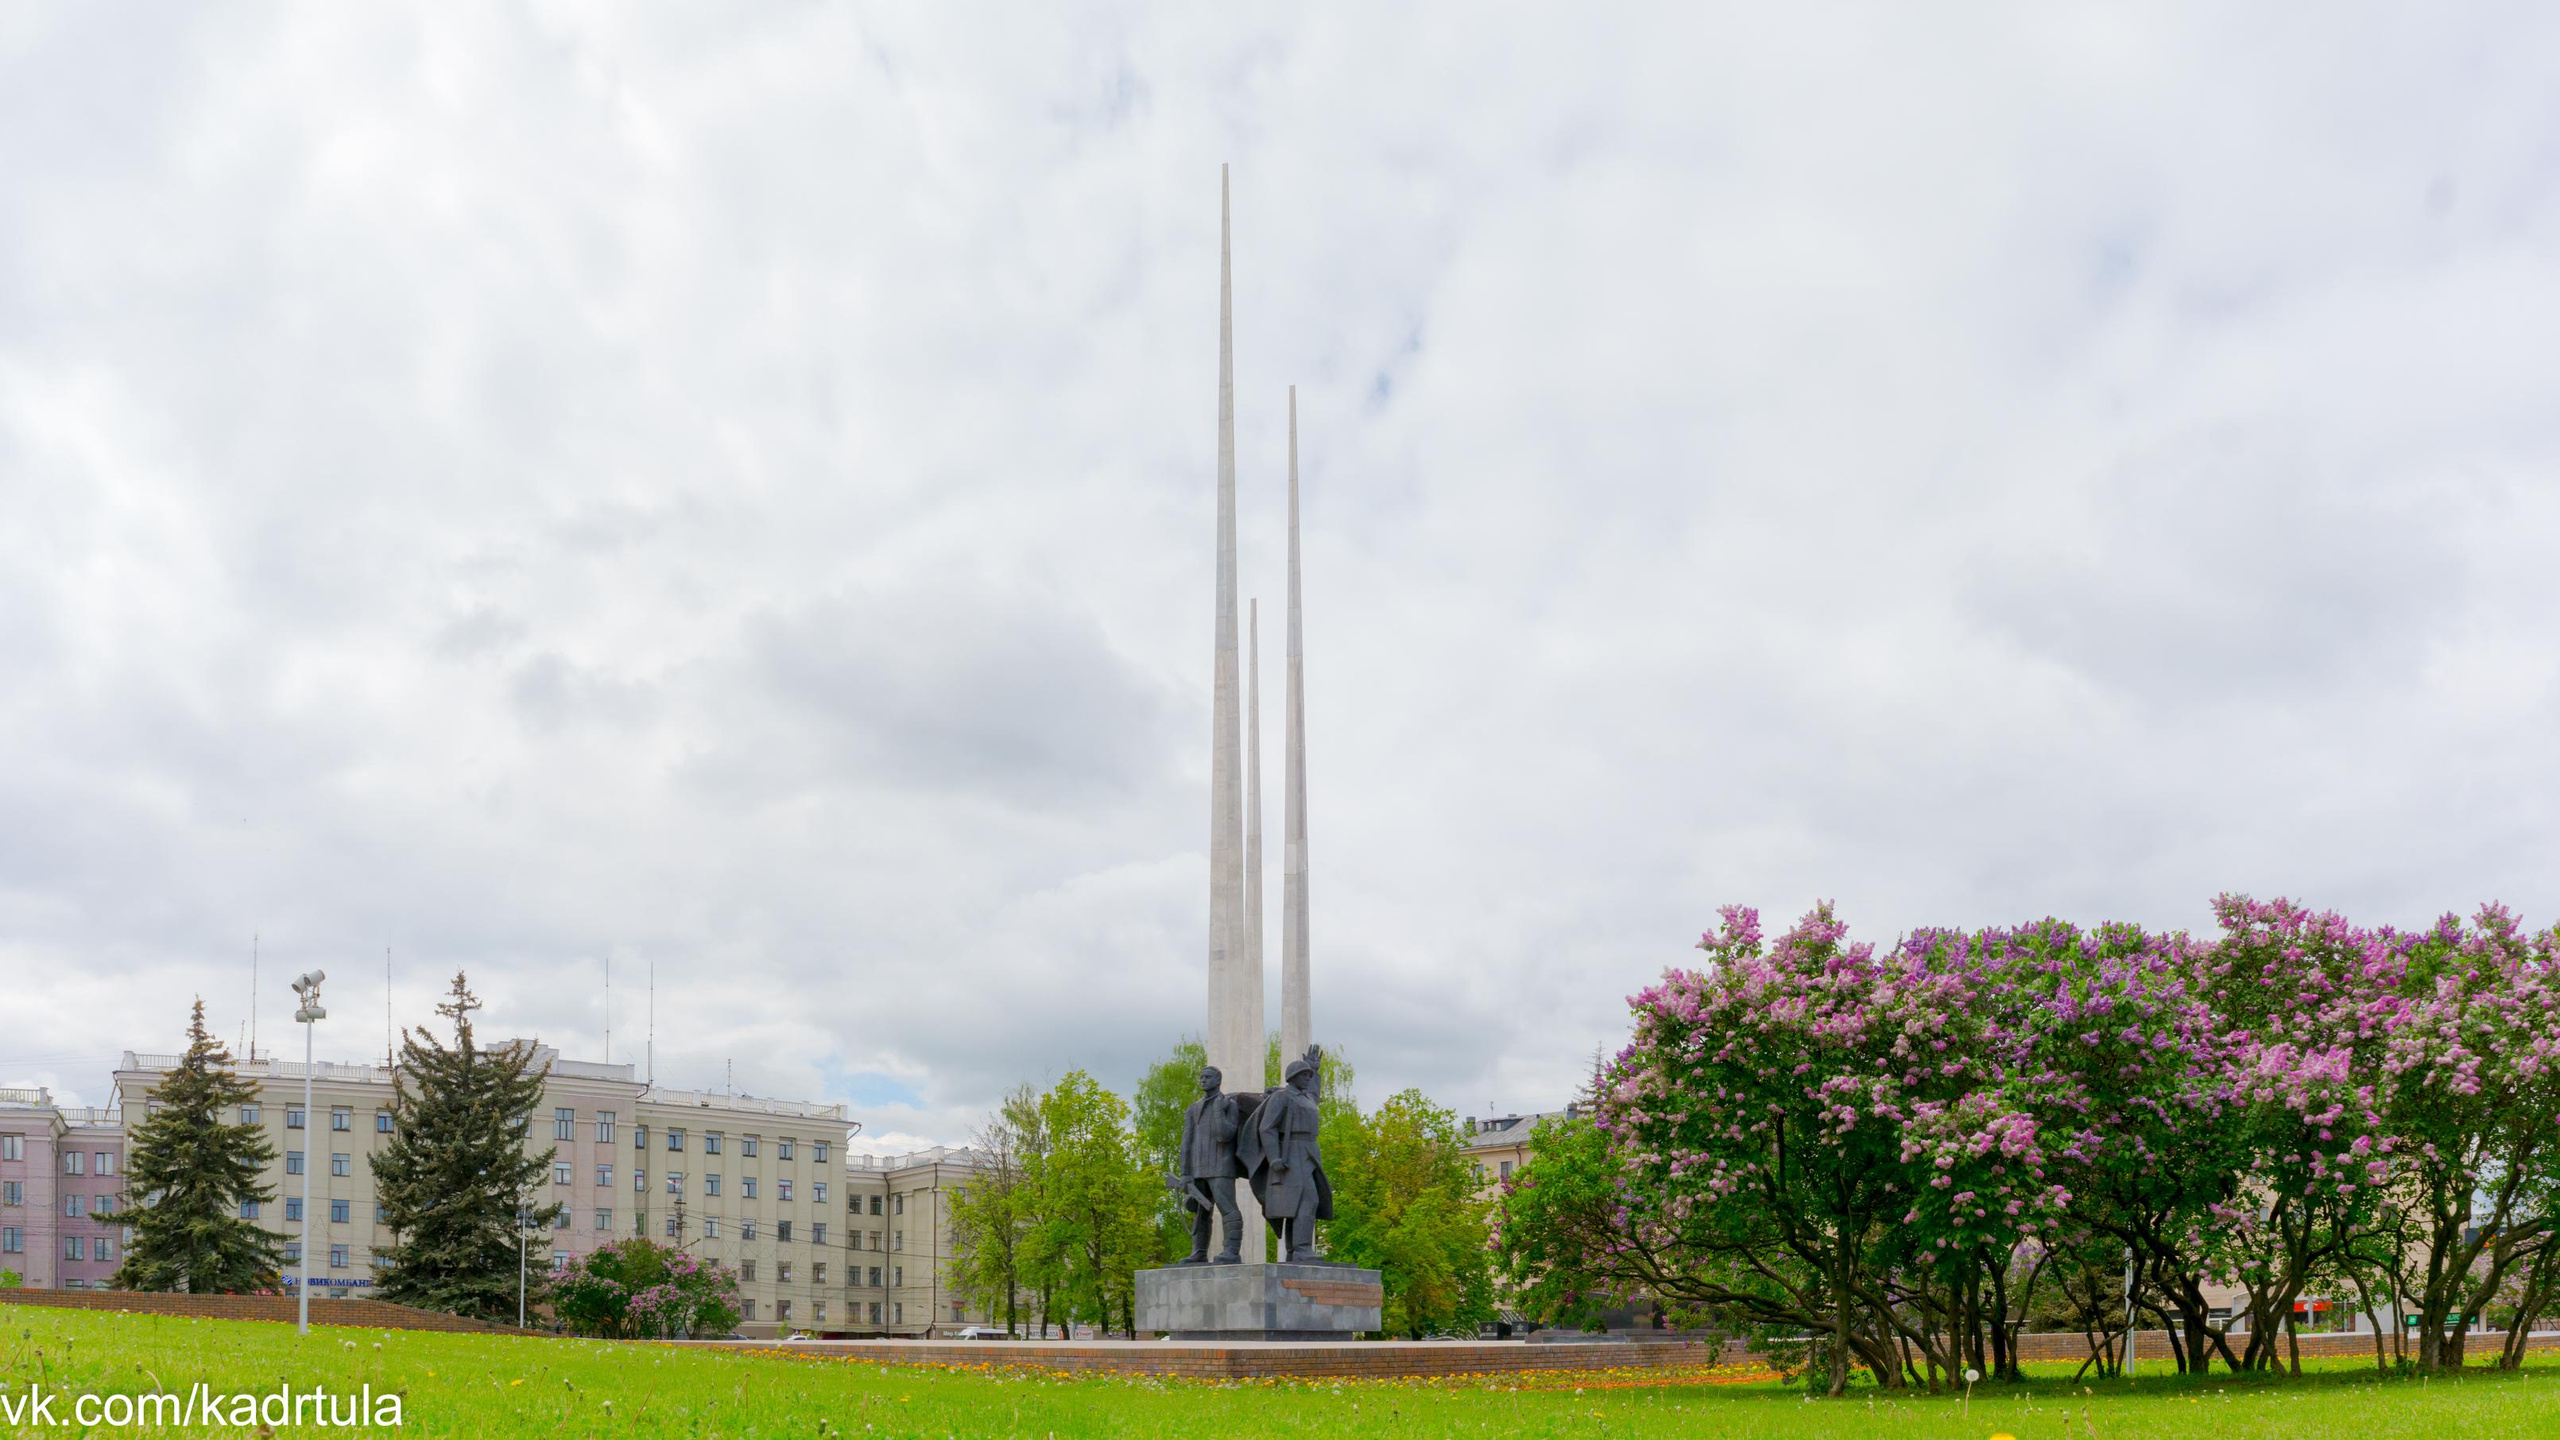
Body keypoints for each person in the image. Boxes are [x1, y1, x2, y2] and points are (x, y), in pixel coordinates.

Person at [1251, 1045, 1333, 1262]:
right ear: (1292, 1077)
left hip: (1310, 1150)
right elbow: (1266, 1128)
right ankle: (1302, 1248)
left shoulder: (1307, 1098)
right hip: (1292, 1151)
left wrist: (1316, 1070)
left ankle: (1293, 1251)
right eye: (1304, 1075)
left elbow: (1314, 1093)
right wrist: (1274, 1157)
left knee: (1300, 1202)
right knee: (1308, 1200)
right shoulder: (1282, 1097)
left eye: (1309, 1075)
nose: (1308, 1078)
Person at [1175, 1065, 1250, 1264]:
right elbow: (1186, 1142)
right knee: (1200, 1213)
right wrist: (1185, 1173)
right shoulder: (1193, 1108)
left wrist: (1218, 1110)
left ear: (1218, 1080)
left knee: (1227, 1208)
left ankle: (1232, 1250)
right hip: (1198, 1169)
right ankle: (1199, 1251)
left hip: (1221, 1166)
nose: (1203, 1080)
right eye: (1201, 1077)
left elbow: (1224, 1135)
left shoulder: (1228, 1105)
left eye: (1208, 1077)